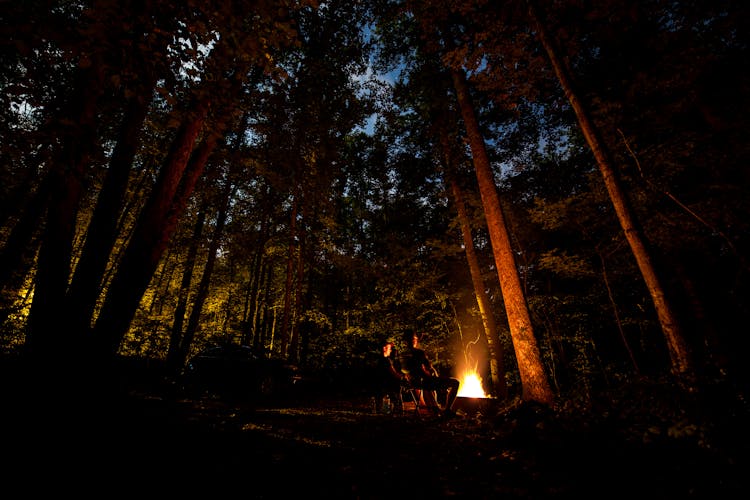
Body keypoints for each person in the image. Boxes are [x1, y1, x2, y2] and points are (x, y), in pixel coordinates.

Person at [400, 329, 460, 418]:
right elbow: (429, 367)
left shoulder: (402, 355)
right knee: (455, 382)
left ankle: (435, 409)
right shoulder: (419, 353)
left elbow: (406, 370)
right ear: (414, 340)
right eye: (416, 338)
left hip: (413, 383)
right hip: (425, 382)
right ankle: (447, 410)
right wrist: (434, 376)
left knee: (430, 384)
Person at [372, 341, 404, 414]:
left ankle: (389, 408)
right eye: (389, 348)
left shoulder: (380, 359)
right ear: (384, 348)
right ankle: (398, 409)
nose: (391, 350)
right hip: (387, 384)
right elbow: (393, 373)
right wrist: (403, 378)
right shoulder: (386, 360)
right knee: (397, 387)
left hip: (381, 384)